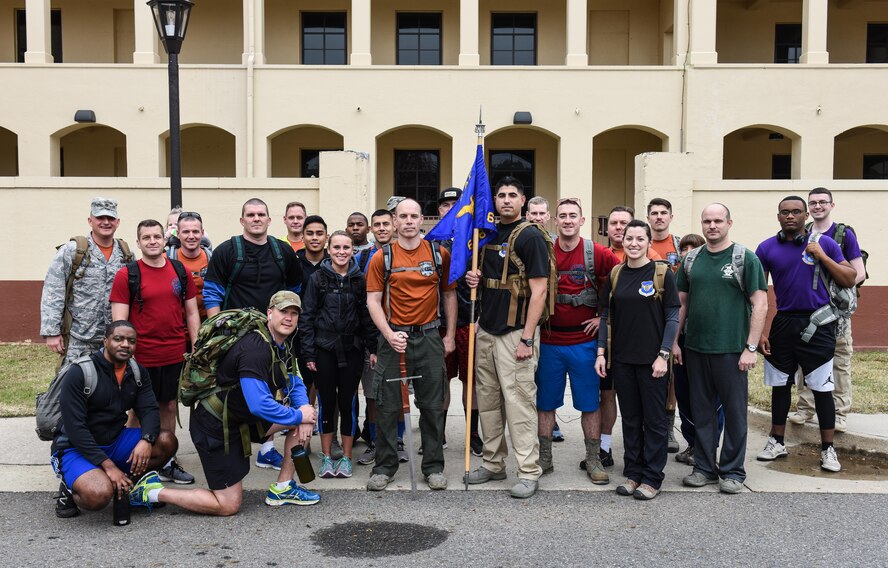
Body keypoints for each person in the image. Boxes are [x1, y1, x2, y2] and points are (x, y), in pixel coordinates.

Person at [137, 291, 320, 515]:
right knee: (227, 505)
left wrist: (305, 411)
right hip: (215, 426)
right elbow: (259, 405)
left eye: (294, 313)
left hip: (241, 418)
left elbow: (294, 380)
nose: (289, 318)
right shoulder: (256, 349)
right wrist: (300, 416)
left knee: (299, 419)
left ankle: (282, 489)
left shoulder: (280, 343)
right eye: (283, 312)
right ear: (270, 313)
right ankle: (151, 490)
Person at [755, 196, 857, 473]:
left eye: (796, 212)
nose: (790, 216)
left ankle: (828, 449)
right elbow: (758, 293)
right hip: (784, 323)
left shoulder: (825, 243)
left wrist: (822, 256)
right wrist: (760, 331)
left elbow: (850, 277)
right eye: (785, 212)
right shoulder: (766, 248)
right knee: (780, 385)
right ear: (778, 216)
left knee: (822, 388)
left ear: (805, 216)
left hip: (819, 324)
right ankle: (776, 441)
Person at [202, 198, 302, 470]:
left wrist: (285, 322)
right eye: (250, 214)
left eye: (261, 214)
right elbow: (212, 292)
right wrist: (217, 330)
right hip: (236, 337)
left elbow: (295, 288)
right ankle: (231, 442)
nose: (256, 218)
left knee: (272, 387)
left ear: (270, 220)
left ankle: (266, 449)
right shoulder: (226, 251)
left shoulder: (283, 252)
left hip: (275, 334)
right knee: (237, 391)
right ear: (242, 220)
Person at [465, 176, 549, 499]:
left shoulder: (530, 237)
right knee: (487, 402)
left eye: (512, 195)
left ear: (523, 200)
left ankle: (528, 471)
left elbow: (539, 291)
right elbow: (485, 281)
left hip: (516, 335)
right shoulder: (485, 234)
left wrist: (528, 338)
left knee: (519, 403)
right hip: (485, 329)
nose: (505, 200)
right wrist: (475, 276)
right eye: (500, 195)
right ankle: (493, 462)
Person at [675, 203, 768, 495]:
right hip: (695, 349)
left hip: (731, 350)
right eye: (707, 221)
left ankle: (732, 471)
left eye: (718, 220)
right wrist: (674, 342)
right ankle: (704, 468)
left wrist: (750, 347)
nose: (712, 225)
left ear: (729, 222)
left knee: (735, 412)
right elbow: (681, 304)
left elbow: (760, 304)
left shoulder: (745, 258)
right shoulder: (691, 260)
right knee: (701, 412)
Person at [365, 198, 456, 491]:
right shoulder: (382, 257)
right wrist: (389, 333)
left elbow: (450, 296)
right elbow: (373, 300)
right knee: (388, 405)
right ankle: (385, 466)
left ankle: (433, 467)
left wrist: (449, 335)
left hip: (429, 337)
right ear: (394, 221)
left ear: (421, 220)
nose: (408, 221)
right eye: (402, 216)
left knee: (432, 405)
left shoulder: (438, 253)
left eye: (414, 216)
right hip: (394, 338)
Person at [51, 320, 175, 518]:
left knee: (165, 441)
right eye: (118, 339)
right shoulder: (80, 372)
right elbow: (75, 429)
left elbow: (150, 410)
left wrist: (146, 439)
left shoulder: (136, 372)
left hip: (115, 441)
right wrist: (109, 467)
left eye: (131, 341)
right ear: (105, 341)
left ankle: (131, 489)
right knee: (98, 495)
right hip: (76, 447)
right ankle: (69, 489)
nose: (125, 344)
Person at [111, 219, 200, 484]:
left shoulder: (179, 270)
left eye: (157, 236)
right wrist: (123, 357)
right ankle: (131, 463)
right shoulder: (127, 275)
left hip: (174, 354)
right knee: (138, 411)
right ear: (138, 243)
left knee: (169, 406)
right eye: (146, 237)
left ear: (165, 240)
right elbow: (119, 323)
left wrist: (195, 347)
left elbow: (192, 311)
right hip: (140, 359)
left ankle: (165, 460)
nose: (152, 241)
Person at [595, 220, 680, 500]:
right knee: (630, 419)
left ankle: (653, 478)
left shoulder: (661, 273)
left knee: (654, 421)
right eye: (629, 238)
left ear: (648, 242)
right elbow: (606, 315)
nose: (633, 243)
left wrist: (663, 354)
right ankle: (633, 473)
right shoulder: (616, 273)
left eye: (639, 239)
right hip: (622, 360)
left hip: (653, 361)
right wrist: (601, 353)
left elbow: (671, 316)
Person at [537, 198, 618, 484]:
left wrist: (603, 319)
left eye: (573, 215)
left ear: (582, 221)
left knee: (589, 404)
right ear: (554, 221)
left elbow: (623, 282)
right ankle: (544, 459)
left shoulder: (597, 253)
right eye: (563, 216)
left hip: (585, 345)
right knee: (546, 404)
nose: (568, 220)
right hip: (549, 342)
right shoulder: (545, 252)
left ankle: (594, 459)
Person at [301, 231, 378, 479]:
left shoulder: (359, 279)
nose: (341, 252)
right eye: (336, 247)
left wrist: (373, 348)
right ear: (329, 249)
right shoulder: (317, 278)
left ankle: (346, 457)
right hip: (324, 349)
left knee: (348, 402)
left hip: (352, 350)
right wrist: (309, 352)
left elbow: (367, 316)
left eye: (346, 247)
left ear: (352, 250)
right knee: (327, 402)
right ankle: (326, 456)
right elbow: (307, 317)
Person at [789, 188, 867, 433]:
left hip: (837, 311)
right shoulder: (802, 233)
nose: (818, 206)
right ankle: (805, 408)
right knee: (805, 359)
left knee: (840, 360)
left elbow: (858, 272)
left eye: (823, 202)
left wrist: (832, 283)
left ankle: (840, 413)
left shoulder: (843, 234)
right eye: (813, 203)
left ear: (832, 205)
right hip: (808, 310)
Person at [40, 197, 133, 372]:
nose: (106, 222)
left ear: (118, 222)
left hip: (114, 338)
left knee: (111, 387)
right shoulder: (72, 251)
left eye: (111, 218)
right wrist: (52, 332)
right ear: (90, 220)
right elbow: (53, 290)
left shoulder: (126, 254)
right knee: (72, 386)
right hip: (79, 337)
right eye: (100, 218)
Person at [433, 188, 483, 457]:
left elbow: (491, 287)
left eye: (457, 204)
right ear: (438, 210)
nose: (451, 209)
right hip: (437, 324)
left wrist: (480, 318)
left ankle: (472, 434)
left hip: (469, 323)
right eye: (445, 205)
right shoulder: (430, 243)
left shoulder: (478, 241)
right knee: (440, 382)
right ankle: (437, 433)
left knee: (471, 382)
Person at [671, 233, 725, 467]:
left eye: (693, 249)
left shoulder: (712, 275)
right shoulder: (678, 276)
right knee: (685, 397)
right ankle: (693, 443)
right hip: (683, 342)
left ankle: (709, 446)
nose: (687, 253)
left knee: (712, 400)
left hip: (711, 343)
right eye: (684, 249)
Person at [356, 208, 403, 466]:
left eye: (386, 223)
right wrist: (371, 342)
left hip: (401, 334)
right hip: (372, 336)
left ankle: (398, 441)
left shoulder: (403, 253)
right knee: (374, 393)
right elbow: (362, 303)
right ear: (371, 229)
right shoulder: (363, 258)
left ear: (394, 225)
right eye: (377, 224)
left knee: (397, 391)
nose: (382, 228)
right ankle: (375, 442)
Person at [647, 197, 682, 453]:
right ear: (648, 217)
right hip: (647, 321)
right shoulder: (640, 242)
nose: (659, 217)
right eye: (654, 213)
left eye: (663, 213)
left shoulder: (679, 247)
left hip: (675, 318)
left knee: (671, 379)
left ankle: (668, 429)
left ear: (671, 217)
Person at [166, 211, 213, 321]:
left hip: (207, 324)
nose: (191, 236)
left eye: (195, 232)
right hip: (176, 325)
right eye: (186, 232)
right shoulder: (166, 259)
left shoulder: (213, 259)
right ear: (177, 233)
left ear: (202, 233)